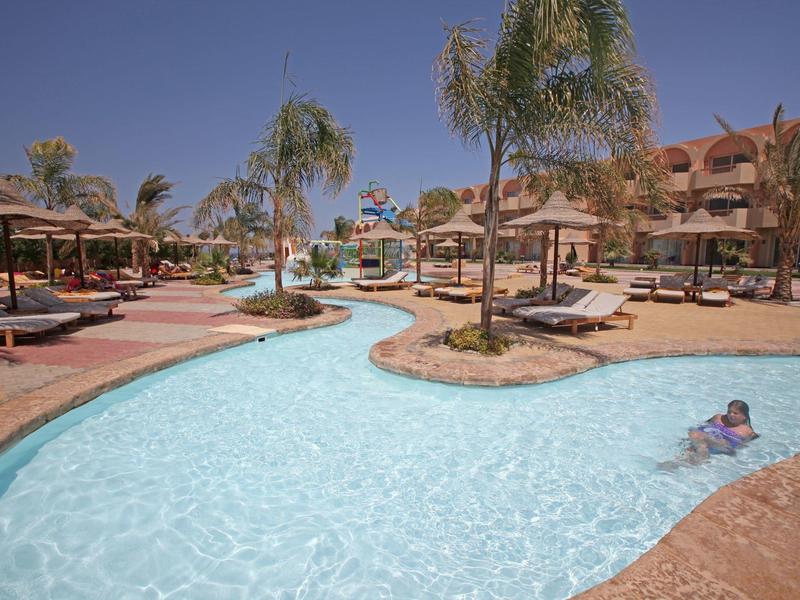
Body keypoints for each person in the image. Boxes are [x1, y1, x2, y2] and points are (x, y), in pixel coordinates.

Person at [660, 400, 758, 468]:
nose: (730, 415)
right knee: (690, 449)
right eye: (729, 411)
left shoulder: (748, 432)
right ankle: (679, 463)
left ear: (744, 416)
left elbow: (739, 448)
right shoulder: (718, 418)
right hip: (704, 442)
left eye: (735, 413)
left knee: (696, 435)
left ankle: (700, 455)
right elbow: (702, 425)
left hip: (722, 445)